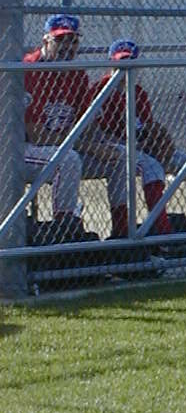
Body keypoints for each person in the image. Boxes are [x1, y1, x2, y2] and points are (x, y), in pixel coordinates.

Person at [90, 39, 186, 237]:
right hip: (113, 149)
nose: (126, 68)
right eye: (121, 62)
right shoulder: (99, 91)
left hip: (142, 147)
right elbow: (98, 132)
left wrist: (161, 141)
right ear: (111, 63)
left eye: (130, 62)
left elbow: (147, 127)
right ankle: (164, 234)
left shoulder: (137, 92)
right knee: (152, 168)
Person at [22, 13, 128, 242]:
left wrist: (102, 146)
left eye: (73, 40)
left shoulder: (77, 73)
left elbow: (85, 125)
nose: (67, 47)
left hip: (65, 147)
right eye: (60, 40)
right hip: (22, 151)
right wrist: (89, 147)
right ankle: (65, 229)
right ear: (45, 40)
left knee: (120, 157)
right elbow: (36, 135)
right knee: (68, 160)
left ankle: (123, 233)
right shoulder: (28, 69)